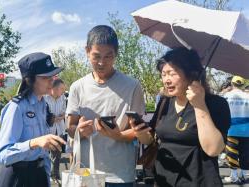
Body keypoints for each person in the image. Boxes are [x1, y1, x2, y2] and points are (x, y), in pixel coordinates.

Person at [131, 47, 230, 186]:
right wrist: (140, 133)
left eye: (172, 74)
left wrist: (200, 105)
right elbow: (150, 140)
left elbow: (213, 149)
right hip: (164, 180)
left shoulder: (215, 104)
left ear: (191, 74)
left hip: (199, 181)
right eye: (163, 74)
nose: (166, 80)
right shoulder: (165, 102)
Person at [66, 25, 145, 187]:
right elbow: (70, 127)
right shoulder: (77, 87)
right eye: (96, 56)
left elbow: (139, 130)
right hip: (86, 171)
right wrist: (79, 131)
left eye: (108, 56)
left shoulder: (132, 86)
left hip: (121, 174)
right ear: (87, 51)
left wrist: (118, 135)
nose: (102, 62)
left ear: (116, 54)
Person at [0, 52, 66, 187]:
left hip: (38, 175)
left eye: (52, 76)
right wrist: (33, 143)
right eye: (46, 77)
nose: (52, 80)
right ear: (30, 80)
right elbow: (2, 155)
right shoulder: (16, 108)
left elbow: (43, 155)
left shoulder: (43, 105)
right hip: (18, 178)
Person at [223, 75, 249, 184]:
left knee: (232, 153)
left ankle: (234, 176)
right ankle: (244, 174)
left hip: (231, 129)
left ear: (232, 84)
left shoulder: (226, 96)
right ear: (243, 85)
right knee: (245, 153)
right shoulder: (248, 96)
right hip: (246, 130)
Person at [44, 78, 67, 183]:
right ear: (55, 88)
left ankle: (55, 175)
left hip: (59, 130)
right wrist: (55, 118)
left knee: (57, 154)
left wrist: (56, 118)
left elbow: (64, 112)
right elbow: (45, 116)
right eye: (62, 88)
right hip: (46, 131)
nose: (63, 91)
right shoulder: (45, 98)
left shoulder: (62, 98)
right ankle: (45, 175)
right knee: (44, 154)